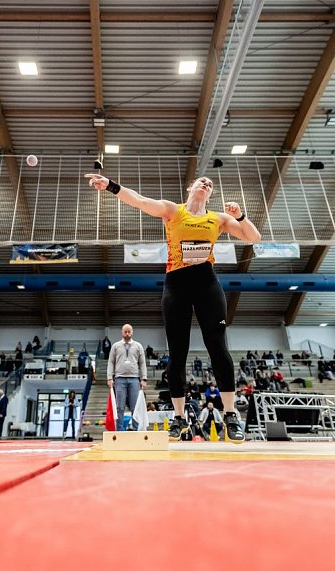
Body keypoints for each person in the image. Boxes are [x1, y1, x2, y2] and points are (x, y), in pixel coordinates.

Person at [87, 172, 261, 442]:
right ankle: (179, 418)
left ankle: (230, 415)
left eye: (210, 185)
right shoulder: (173, 211)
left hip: (207, 284)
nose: (206, 184)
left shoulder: (218, 219)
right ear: (191, 187)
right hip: (176, 285)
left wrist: (240, 216)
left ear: (210, 195)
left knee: (217, 346)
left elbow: (253, 237)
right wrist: (110, 185)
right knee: (177, 351)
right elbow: (139, 201)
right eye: (202, 181)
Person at [106, 323, 147, 431]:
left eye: (129, 332)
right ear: (122, 332)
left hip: (134, 379)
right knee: (120, 407)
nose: (127, 334)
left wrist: (144, 378)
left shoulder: (138, 346)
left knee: (135, 406)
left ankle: (136, 430)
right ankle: (119, 430)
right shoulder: (115, 346)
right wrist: (109, 377)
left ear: (132, 332)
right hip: (119, 379)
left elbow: (142, 363)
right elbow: (111, 362)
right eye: (125, 332)